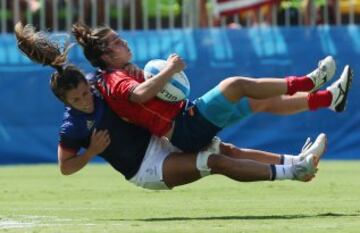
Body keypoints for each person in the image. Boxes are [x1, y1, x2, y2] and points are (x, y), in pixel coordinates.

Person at [15, 22, 326, 191]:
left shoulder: (99, 83)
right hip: (145, 168)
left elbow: (126, 88)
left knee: (227, 150)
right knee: (214, 161)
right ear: (65, 103)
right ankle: (293, 169)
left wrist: (138, 69)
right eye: (77, 100)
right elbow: (65, 167)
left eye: (84, 93)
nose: (85, 100)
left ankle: (298, 161)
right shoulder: (71, 126)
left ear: (87, 84)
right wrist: (92, 153)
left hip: (162, 140)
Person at [72, 22, 353, 154]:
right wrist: (170, 69)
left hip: (186, 121)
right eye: (117, 42)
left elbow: (144, 96)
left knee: (260, 102)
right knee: (236, 85)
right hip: (184, 128)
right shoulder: (113, 78)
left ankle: (329, 98)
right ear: (107, 56)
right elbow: (139, 96)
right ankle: (309, 81)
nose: (124, 42)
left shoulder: (119, 73)